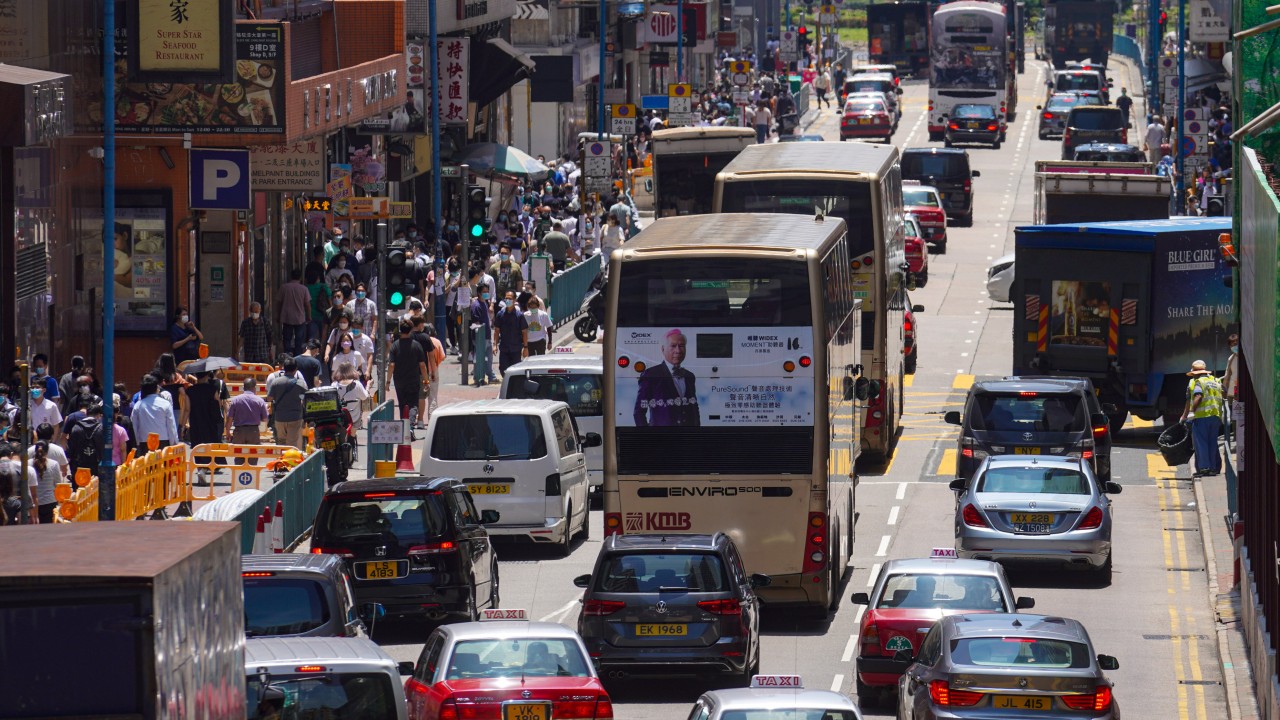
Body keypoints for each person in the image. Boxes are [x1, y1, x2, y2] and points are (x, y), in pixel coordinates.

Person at [633, 329, 700, 427]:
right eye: (673, 346)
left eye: (681, 346)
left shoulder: (690, 376)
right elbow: (638, 412)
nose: (678, 350)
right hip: (661, 438)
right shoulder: (650, 374)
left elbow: (694, 407)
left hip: (687, 438)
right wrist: (646, 437)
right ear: (663, 349)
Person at [1180, 359, 1223, 477]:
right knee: (1212, 442)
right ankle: (1213, 468)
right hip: (1215, 417)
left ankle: (1204, 468)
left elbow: (1197, 396)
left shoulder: (1198, 382)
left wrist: (1190, 413)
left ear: (1195, 373)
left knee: (1201, 443)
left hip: (1201, 417)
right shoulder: (1215, 380)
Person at [388, 320, 430, 423]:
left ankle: (404, 425)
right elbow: (422, 365)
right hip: (413, 380)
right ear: (411, 330)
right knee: (413, 404)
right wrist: (426, 381)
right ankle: (410, 425)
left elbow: (391, 365)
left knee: (402, 404)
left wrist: (388, 382)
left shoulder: (395, 346)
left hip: (399, 380)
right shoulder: (416, 345)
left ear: (400, 330)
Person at [267, 357, 308, 450]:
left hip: (279, 417)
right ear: (295, 369)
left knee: (281, 442)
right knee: (292, 443)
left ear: (283, 368)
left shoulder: (276, 382)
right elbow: (306, 398)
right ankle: (291, 463)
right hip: (295, 417)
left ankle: (282, 462)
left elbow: (269, 398)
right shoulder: (300, 383)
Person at [131, 374, 180, 449]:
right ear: (156, 388)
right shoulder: (165, 404)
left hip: (144, 442)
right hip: (163, 441)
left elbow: (134, 425)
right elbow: (171, 426)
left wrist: (137, 443)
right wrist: (174, 442)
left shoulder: (138, 405)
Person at [225, 377, 269, 448]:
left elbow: (229, 418)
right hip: (253, 431)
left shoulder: (235, 400)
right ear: (255, 388)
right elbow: (265, 419)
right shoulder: (260, 401)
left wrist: (227, 432)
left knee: (239, 455)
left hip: (239, 431)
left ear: (243, 387)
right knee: (252, 455)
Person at [185, 372, 225, 448]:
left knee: (198, 449)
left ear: (196, 376)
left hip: (196, 423)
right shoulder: (212, 389)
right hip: (210, 422)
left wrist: (182, 425)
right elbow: (219, 404)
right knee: (211, 448)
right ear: (207, 376)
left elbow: (187, 409)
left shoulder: (190, 390)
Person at [470, 274, 497, 385]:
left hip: (486, 335)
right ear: (479, 293)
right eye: (484, 292)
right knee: (479, 358)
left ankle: (490, 376)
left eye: (487, 291)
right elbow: (476, 322)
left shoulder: (484, 303)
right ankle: (478, 377)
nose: (486, 293)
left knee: (488, 358)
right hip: (480, 337)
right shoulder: (476, 306)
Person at [494, 291, 529, 375]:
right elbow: (496, 330)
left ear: (514, 300)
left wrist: (526, 347)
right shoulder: (500, 314)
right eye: (506, 298)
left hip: (516, 349)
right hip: (504, 348)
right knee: (503, 370)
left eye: (510, 298)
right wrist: (494, 345)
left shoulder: (519, 315)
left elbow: (524, 332)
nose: (507, 300)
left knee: (515, 371)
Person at [29, 440, 61, 524]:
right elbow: (58, 484)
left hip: (32, 503)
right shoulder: (54, 464)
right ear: (47, 451)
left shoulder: (28, 464)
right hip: (49, 502)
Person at [332, 361, 369, 431]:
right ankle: (352, 435)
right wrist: (368, 386)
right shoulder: (357, 384)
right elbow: (365, 397)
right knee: (353, 433)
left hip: (339, 418)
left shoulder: (334, 385)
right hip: (354, 418)